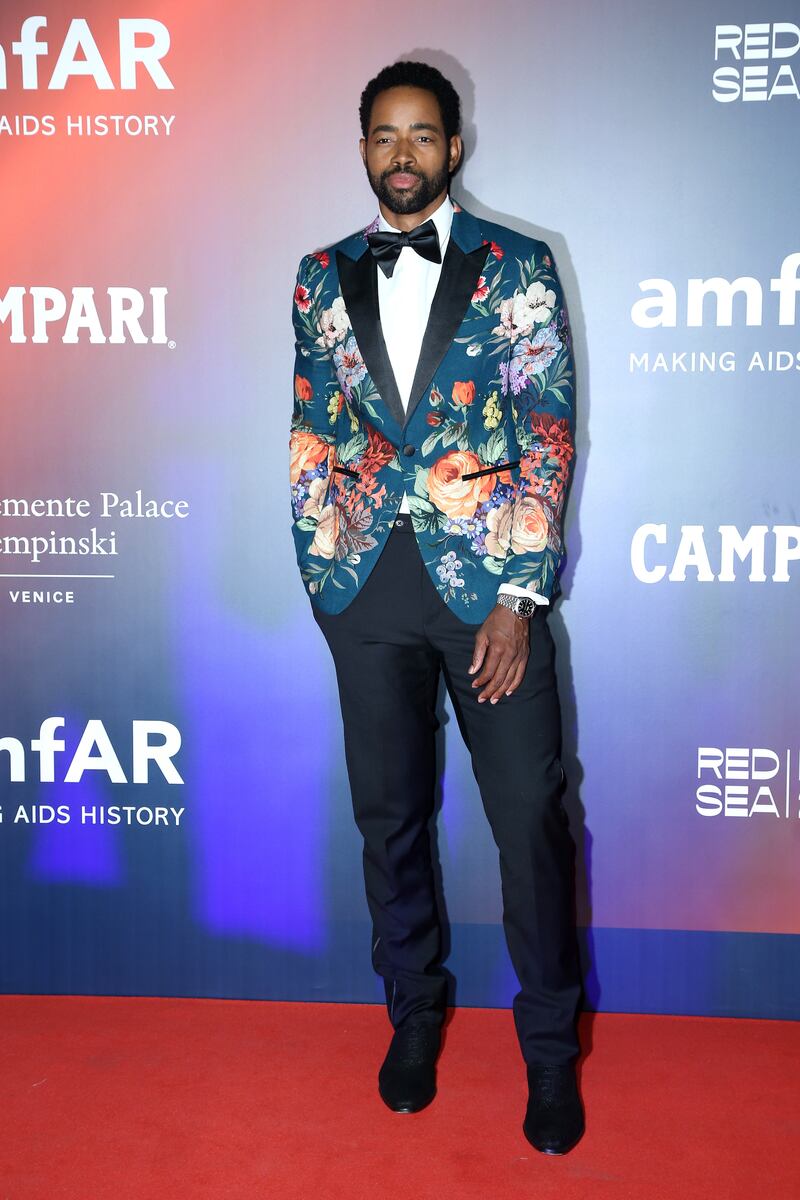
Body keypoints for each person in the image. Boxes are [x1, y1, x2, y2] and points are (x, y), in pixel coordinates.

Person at [289, 60, 584, 1155]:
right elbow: (312, 431)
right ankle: (411, 1020)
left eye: (421, 135)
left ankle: (549, 1058)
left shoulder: (515, 267)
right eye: (382, 136)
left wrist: (516, 596)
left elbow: (544, 430)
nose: (401, 154)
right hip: (367, 591)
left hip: (486, 598)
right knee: (390, 823)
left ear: (453, 148)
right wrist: (326, 579)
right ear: (362, 147)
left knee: (529, 827)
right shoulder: (320, 276)